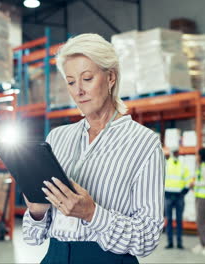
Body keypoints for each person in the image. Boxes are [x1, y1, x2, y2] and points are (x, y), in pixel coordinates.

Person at [21, 33, 165, 264]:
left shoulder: (143, 143)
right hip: (55, 256)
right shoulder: (57, 138)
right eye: (70, 81)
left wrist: (92, 214)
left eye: (87, 78)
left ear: (110, 78)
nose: (78, 90)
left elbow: (147, 238)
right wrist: (37, 211)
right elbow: (33, 236)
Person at [164, 149, 192, 249]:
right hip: (168, 196)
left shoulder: (182, 166)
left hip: (179, 197)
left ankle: (179, 243)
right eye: (175, 152)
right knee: (169, 220)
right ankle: (170, 242)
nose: (176, 154)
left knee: (179, 220)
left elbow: (188, 180)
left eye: (177, 152)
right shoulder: (166, 164)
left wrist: (185, 191)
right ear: (172, 153)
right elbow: (160, 179)